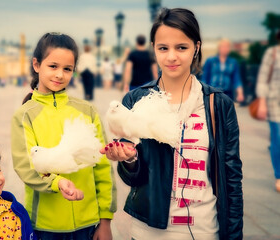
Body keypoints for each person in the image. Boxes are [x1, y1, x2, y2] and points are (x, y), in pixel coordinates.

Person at [101, 8, 243, 240]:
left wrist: (235, 235)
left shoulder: (218, 105)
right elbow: (132, 179)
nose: (171, 57)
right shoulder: (136, 100)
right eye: (163, 48)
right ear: (153, 48)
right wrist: (129, 159)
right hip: (148, 231)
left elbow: (232, 178)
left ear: (196, 47)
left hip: (205, 230)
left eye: (181, 47)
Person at [11, 32, 116, 240]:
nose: (60, 74)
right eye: (53, 66)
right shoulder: (24, 115)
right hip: (45, 226)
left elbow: (102, 168)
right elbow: (26, 166)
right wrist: (57, 183)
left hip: (89, 223)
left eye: (67, 69)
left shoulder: (88, 111)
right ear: (36, 64)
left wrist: (105, 220)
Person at [255, 30, 280, 192]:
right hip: (274, 102)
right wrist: (262, 102)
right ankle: (279, 176)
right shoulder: (272, 53)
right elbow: (263, 78)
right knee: (278, 138)